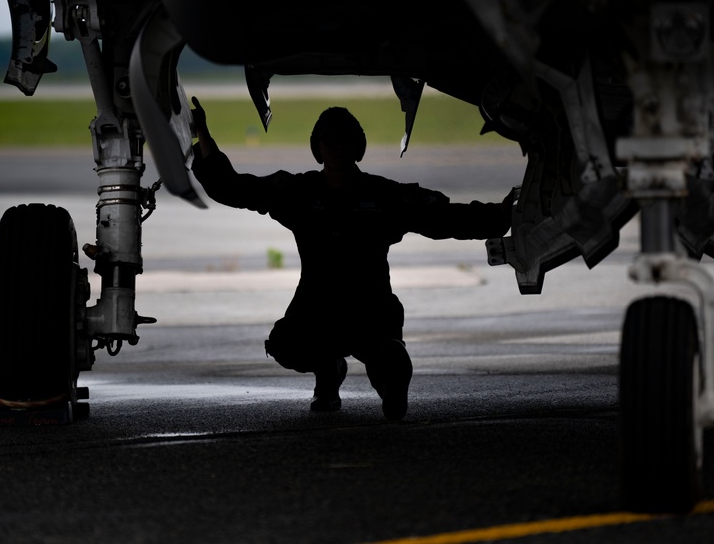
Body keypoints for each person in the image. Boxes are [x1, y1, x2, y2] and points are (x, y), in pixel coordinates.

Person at [190, 97, 516, 420]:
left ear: (358, 148)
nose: (338, 148)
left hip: (369, 311)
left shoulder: (385, 195)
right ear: (317, 148)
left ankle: (388, 386)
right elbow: (233, 188)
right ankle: (329, 373)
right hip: (317, 312)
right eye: (329, 140)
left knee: (388, 361)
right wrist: (201, 133)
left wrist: (501, 215)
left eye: (345, 140)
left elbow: (443, 218)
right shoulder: (299, 192)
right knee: (286, 344)